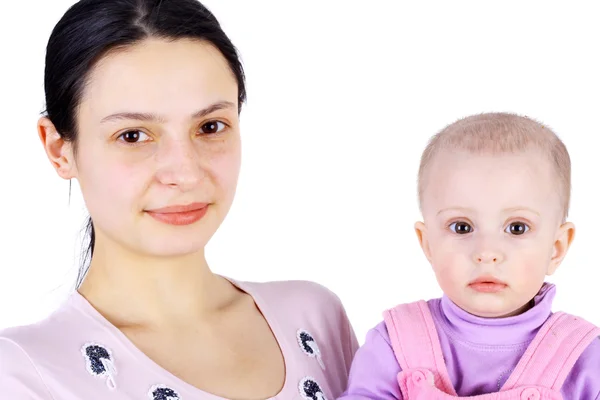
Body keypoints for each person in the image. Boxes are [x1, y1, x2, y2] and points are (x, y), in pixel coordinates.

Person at [0, 1, 358, 398]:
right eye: (133, 135)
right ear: (59, 149)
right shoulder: (24, 372)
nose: (185, 173)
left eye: (210, 126)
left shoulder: (314, 319)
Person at [339, 113, 600, 399]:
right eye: (462, 227)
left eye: (516, 228)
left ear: (557, 247)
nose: (486, 253)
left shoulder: (584, 358)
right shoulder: (395, 345)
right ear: (428, 244)